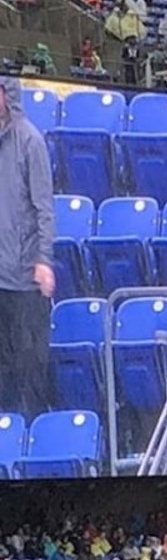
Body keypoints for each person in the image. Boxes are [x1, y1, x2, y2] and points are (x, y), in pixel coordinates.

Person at [0, 76, 55, 420]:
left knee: (28, 367)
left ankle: (30, 432)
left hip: (24, 279)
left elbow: (44, 208)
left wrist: (43, 260)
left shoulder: (30, 141)